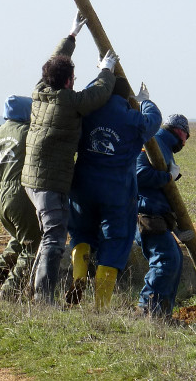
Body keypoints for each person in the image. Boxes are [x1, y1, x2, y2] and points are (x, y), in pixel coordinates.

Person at [21, 13, 118, 303]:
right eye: (73, 79)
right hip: (50, 182)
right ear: (67, 83)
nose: (75, 82)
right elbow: (98, 95)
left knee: (48, 235)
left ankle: (33, 290)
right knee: (53, 239)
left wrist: (71, 35)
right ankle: (43, 299)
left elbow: (53, 62)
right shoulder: (69, 102)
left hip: (32, 179)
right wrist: (106, 70)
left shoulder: (40, 91)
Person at [66, 79, 162, 310]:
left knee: (81, 233)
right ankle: (100, 306)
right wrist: (145, 101)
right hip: (117, 191)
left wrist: (100, 78)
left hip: (83, 185)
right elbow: (154, 122)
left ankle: (79, 277)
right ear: (126, 98)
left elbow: (87, 95)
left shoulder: (87, 112)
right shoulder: (131, 118)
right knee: (115, 240)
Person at [0, 95, 41, 299]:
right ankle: (11, 289)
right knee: (33, 243)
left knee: (18, 236)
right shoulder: (28, 134)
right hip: (21, 195)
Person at [135, 113, 193, 317]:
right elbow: (139, 174)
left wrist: (176, 227)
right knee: (166, 259)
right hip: (145, 215)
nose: (185, 143)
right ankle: (146, 310)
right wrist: (168, 176)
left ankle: (162, 314)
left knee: (175, 258)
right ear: (180, 131)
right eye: (187, 137)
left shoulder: (164, 148)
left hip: (157, 216)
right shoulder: (154, 143)